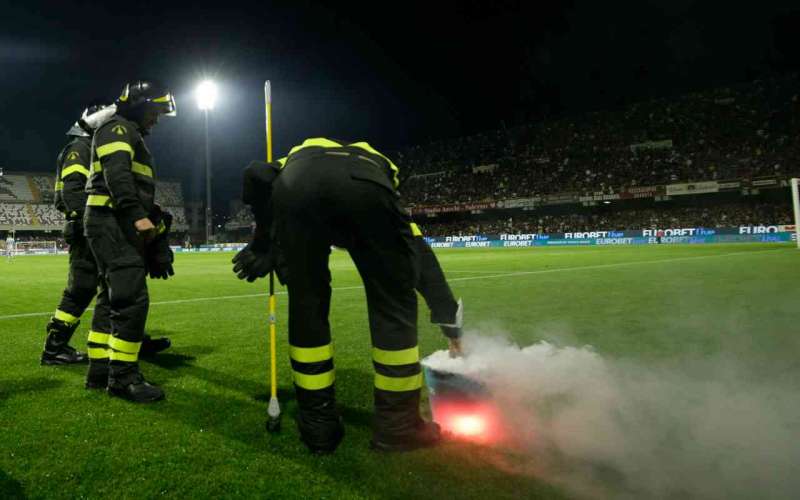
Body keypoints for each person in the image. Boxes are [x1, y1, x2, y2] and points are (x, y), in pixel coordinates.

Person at [233, 138, 463, 453]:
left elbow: (255, 172)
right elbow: (421, 259)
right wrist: (449, 322)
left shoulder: (295, 157)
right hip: (367, 191)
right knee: (392, 304)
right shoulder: (379, 172)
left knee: (307, 303)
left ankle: (318, 427)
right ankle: (397, 430)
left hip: (296, 188)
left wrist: (264, 242)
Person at [83, 80, 176, 402]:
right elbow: (118, 174)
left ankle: (99, 370)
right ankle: (123, 378)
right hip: (114, 222)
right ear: (138, 106)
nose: (157, 118)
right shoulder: (118, 129)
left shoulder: (122, 130)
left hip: (110, 221)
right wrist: (137, 215)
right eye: (154, 111)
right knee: (132, 301)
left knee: (112, 299)